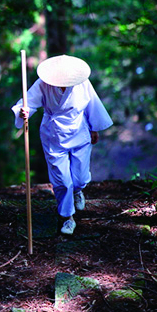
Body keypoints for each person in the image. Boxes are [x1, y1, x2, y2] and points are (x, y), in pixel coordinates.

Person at [11, 55, 113, 236]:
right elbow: (28, 102)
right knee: (63, 181)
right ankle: (67, 217)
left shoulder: (82, 83)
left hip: (79, 131)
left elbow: (92, 104)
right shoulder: (43, 84)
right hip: (53, 135)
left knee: (80, 178)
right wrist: (23, 111)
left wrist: (94, 128)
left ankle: (78, 191)